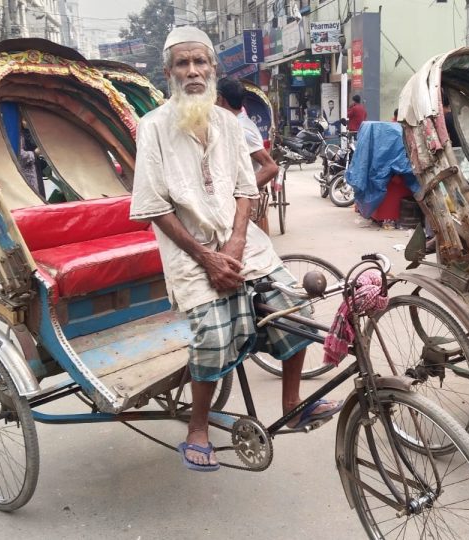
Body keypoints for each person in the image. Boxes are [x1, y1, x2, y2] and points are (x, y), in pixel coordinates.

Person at [130, 27, 342, 472]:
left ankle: (293, 402)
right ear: (169, 72)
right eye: (183, 64)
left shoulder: (229, 124)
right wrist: (209, 257)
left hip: (243, 244)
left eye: (200, 63)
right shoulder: (151, 129)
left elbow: (247, 190)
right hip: (191, 254)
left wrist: (238, 242)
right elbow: (153, 207)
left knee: (296, 313)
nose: (192, 71)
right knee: (214, 336)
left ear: (212, 69)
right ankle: (198, 427)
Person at [216, 76, 280, 235]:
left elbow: (271, 167)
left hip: (241, 205)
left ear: (220, 99)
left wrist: (239, 193)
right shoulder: (234, 124)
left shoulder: (240, 129)